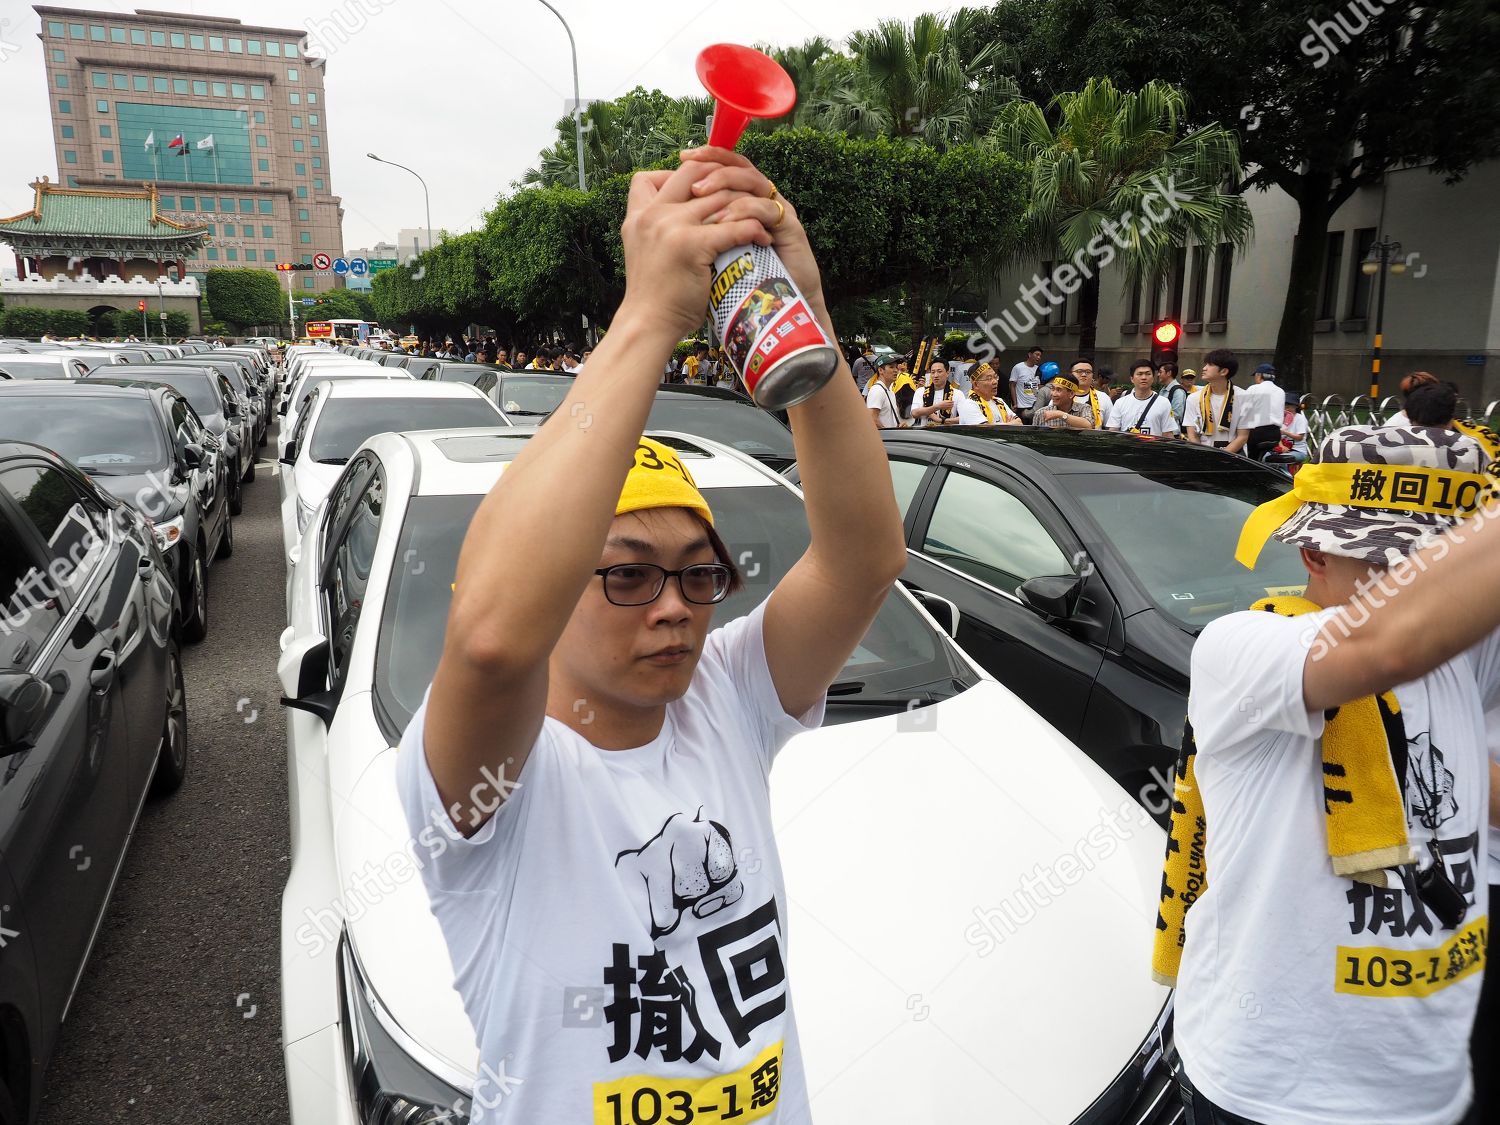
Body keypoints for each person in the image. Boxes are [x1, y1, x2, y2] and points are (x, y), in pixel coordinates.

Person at [397, 145, 907, 1124]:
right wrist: (651, 314)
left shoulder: (726, 699)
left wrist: (802, 313)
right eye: (625, 574)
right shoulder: (493, 778)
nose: (675, 605)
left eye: (698, 574)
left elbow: (862, 557)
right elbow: (497, 636)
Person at [1158, 420, 1500, 1125]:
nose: (1428, 596)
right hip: (1275, 1094)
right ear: (1315, 552)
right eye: (1399, 569)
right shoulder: (1242, 649)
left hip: (1430, 1086)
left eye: (1440, 571)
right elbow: (1385, 646)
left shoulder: (1460, 666)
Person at [1182, 349, 1244, 452]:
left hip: (1235, 457)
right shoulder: (1193, 398)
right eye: (1205, 364)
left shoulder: (1244, 397)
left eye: (1210, 365)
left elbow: (1242, 436)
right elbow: (1192, 435)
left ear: (1224, 371)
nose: (1204, 368)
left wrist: (1221, 457)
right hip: (1203, 455)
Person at [1106, 360, 1180, 436]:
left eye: (1148, 374)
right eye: (1139, 374)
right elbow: (1113, 432)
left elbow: (1168, 434)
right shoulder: (1120, 403)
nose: (1144, 377)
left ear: (1153, 378)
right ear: (1132, 379)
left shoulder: (1164, 403)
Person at [1235, 362, 1285, 462]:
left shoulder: (1254, 388)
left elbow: (1243, 410)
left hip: (1257, 433)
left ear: (1259, 375)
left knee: (1248, 458)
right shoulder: (1280, 391)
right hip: (1275, 434)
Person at [1030, 366, 1096, 429]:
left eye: (1058, 390)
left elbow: (1088, 425)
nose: (1053, 394)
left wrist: (1061, 415)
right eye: (1053, 389)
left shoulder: (1084, 409)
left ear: (1071, 394)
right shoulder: (1041, 413)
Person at [956, 363, 1022, 425]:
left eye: (995, 377)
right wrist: (1009, 424)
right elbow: (986, 432)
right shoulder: (969, 404)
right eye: (989, 378)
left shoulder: (999, 401)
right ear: (976, 384)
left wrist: (1003, 426)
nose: (995, 382)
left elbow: (1019, 422)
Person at [911, 361, 961, 427]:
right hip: (926, 433)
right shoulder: (921, 391)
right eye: (933, 372)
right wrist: (937, 407)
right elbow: (914, 413)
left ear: (947, 373)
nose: (935, 375)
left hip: (947, 434)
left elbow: (964, 417)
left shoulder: (957, 393)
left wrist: (942, 420)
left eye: (939, 371)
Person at [866, 353, 904, 429]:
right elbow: (872, 419)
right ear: (880, 370)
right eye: (891, 367)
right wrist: (888, 434)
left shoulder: (890, 391)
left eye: (896, 367)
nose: (896, 370)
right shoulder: (877, 390)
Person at [1275, 391, 1311, 462]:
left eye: (1288, 405)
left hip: (1298, 450)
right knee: (1265, 457)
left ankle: (1284, 473)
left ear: (1296, 406)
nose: (1286, 408)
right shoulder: (1280, 418)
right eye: (1284, 405)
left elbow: (1300, 437)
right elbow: (1277, 435)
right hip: (1282, 449)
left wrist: (1285, 432)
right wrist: (1281, 446)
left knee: (1280, 459)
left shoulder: (1300, 419)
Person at [1010, 345, 1044, 420]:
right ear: (1029, 354)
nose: (1038, 357)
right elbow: (1012, 386)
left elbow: (1039, 386)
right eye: (1037, 354)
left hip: (1035, 405)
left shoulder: (1038, 369)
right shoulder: (1018, 367)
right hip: (1022, 406)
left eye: (1040, 356)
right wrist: (1015, 403)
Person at [1073, 360, 1109, 429]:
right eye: (1079, 371)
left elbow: (1110, 428)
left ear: (1092, 376)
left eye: (1088, 372)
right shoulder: (1062, 396)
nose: (1084, 375)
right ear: (1071, 374)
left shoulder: (1104, 397)